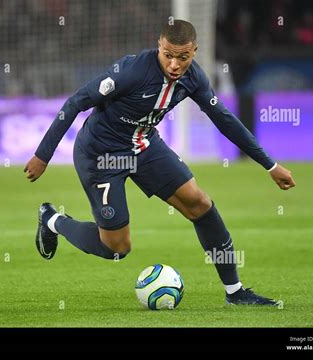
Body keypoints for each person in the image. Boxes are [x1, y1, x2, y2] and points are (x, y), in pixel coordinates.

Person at [24, 20, 296, 305]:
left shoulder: (195, 78)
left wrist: (270, 165)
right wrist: (44, 154)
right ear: (159, 46)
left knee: (199, 203)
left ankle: (235, 292)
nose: (175, 64)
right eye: (168, 54)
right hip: (100, 155)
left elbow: (225, 120)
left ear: (194, 52)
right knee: (117, 247)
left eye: (183, 57)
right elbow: (76, 101)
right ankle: (53, 220)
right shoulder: (131, 71)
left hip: (144, 146)